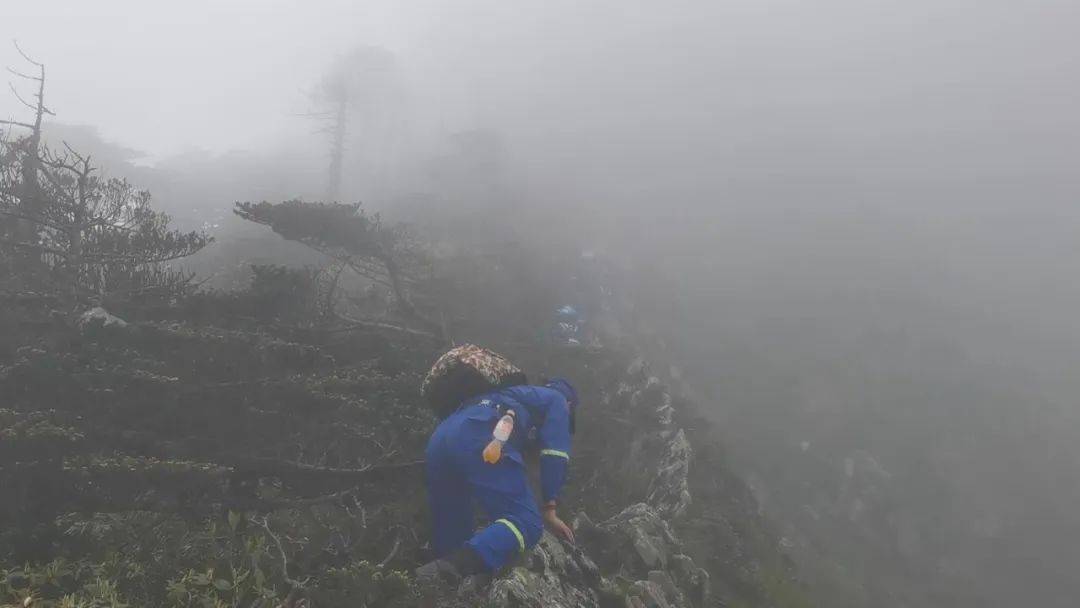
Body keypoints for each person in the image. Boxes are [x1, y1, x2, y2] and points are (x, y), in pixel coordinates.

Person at [416, 345, 579, 582]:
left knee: (455, 533)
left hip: (442, 437)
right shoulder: (556, 400)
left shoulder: (511, 395)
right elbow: (556, 453)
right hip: (483, 431)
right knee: (526, 522)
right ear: (570, 405)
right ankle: (444, 575)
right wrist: (550, 509)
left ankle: (429, 584)